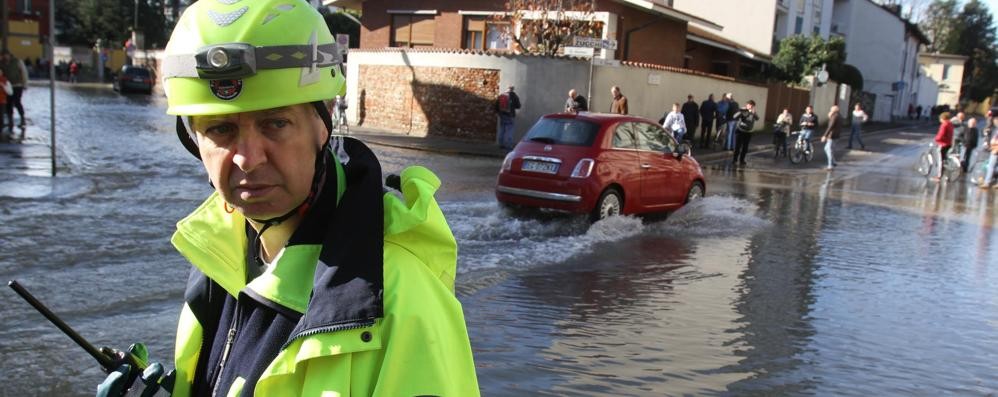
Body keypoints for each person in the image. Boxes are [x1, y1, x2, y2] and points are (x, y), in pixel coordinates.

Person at [95, 1, 480, 396]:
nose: (248, 157)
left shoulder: (400, 301)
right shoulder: (219, 260)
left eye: (275, 123)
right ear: (194, 139)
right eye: (221, 129)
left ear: (324, 120)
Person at [1, 50, 27, 129]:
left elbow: (23, 72)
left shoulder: (17, 61)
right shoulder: (2, 63)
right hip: (8, 86)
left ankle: (22, 118)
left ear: (10, 55)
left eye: (6, 55)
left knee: (17, 102)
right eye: (4, 55)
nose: (5, 57)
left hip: (17, 85)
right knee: (8, 103)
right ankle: (10, 120)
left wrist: (25, 83)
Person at [730, 99, 759, 165]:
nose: (750, 106)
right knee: (737, 146)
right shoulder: (743, 111)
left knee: (745, 148)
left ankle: (742, 160)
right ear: (747, 105)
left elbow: (757, 118)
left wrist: (754, 113)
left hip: (748, 132)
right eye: (749, 105)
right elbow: (734, 116)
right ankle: (734, 160)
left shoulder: (753, 112)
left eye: (752, 105)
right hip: (740, 130)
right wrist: (741, 111)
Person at [932, 111, 955, 181]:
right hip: (949, 143)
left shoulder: (944, 125)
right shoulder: (950, 124)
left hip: (942, 144)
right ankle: (946, 174)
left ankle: (939, 176)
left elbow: (941, 135)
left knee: (940, 160)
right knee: (944, 159)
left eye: (940, 118)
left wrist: (936, 138)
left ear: (943, 118)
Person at [822, 105, 842, 170]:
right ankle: (834, 162)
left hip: (832, 135)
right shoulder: (839, 115)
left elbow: (830, 126)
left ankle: (830, 165)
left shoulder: (834, 116)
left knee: (828, 150)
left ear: (835, 110)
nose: (830, 110)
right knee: (827, 149)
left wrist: (825, 135)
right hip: (836, 135)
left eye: (831, 109)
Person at [982, 119, 998, 189]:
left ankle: (987, 182)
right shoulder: (995, 130)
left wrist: (993, 145)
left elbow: (995, 140)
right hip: (994, 149)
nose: (995, 123)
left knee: (991, 166)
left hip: (995, 150)